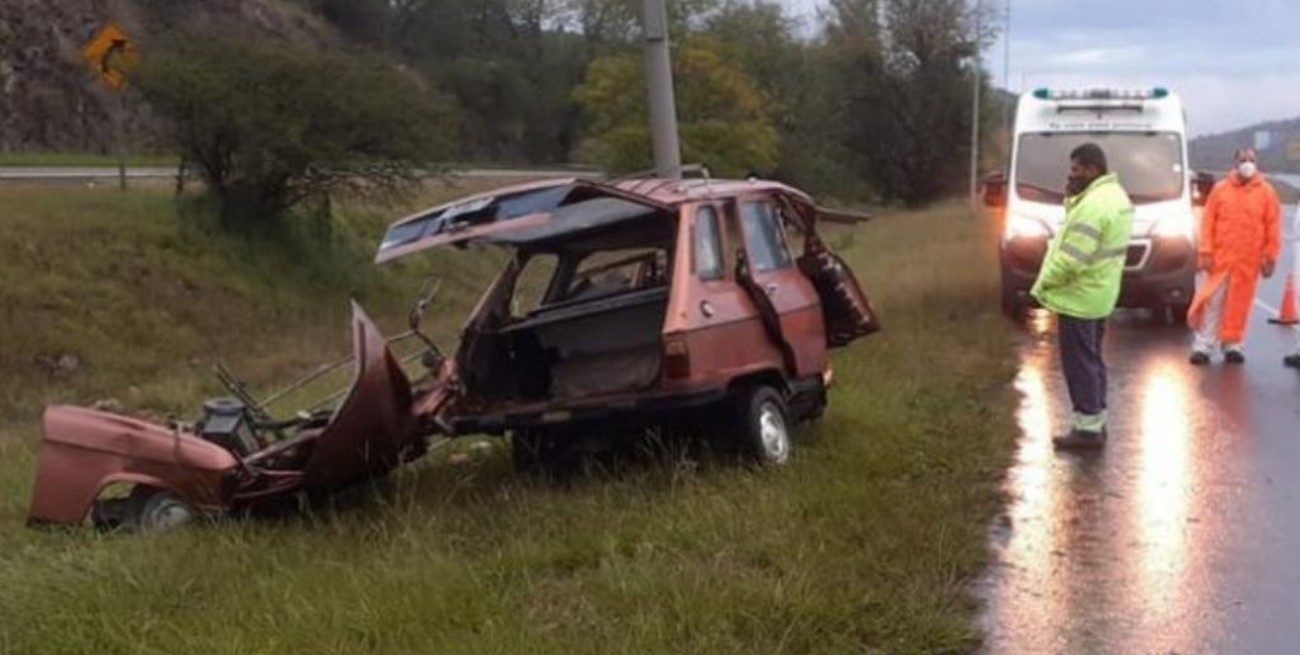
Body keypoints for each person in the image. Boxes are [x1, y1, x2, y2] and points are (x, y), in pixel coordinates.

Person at [1031, 143, 1134, 449]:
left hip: (1080, 297)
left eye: (1076, 169)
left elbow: (1071, 258)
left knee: (1080, 363)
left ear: (1092, 169)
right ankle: (1095, 420)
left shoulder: (1092, 206)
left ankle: (1086, 429)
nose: (1071, 174)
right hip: (1099, 294)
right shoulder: (1114, 196)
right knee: (1092, 359)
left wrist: (1041, 286)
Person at [1188, 148, 1281, 365]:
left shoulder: (1267, 193)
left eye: (1251, 160)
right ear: (1235, 163)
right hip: (1220, 260)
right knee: (1213, 303)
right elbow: (1208, 222)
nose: (1247, 163)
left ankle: (1233, 344)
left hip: (1248, 262)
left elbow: (1272, 228)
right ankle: (1203, 345)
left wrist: (1270, 257)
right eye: (1243, 160)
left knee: (1239, 305)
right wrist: (1205, 251)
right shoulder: (1221, 190)